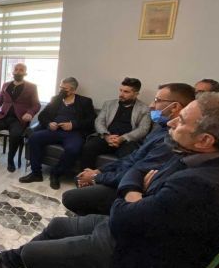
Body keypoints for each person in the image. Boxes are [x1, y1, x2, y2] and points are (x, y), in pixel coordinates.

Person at [0, 93, 219, 268]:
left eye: (182, 120)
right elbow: (138, 173)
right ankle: (9, 260)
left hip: (136, 257)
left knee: (34, 255)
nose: (173, 122)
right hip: (137, 233)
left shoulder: (202, 185)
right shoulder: (196, 156)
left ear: (205, 140)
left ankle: (16, 258)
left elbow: (123, 215)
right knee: (58, 225)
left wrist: (133, 193)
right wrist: (137, 191)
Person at [62, 83, 195, 216]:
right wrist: (99, 170)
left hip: (131, 184)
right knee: (84, 167)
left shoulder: (172, 139)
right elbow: (133, 158)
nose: (151, 105)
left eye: (157, 100)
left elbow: (138, 171)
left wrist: (96, 177)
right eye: (121, 90)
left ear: (175, 107)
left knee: (70, 197)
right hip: (112, 147)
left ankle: (98, 218)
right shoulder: (161, 127)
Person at [19, 77, 95, 188]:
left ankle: (55, 174)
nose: (61, 91)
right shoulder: (56, 99)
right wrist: (49, 123)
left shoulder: (85, 102)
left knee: (73, 149)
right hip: (54, 131)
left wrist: (73, 125)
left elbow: (91, 121)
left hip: (73, 133)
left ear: (73, 90)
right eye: (60, 88)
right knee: (34, 138)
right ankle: (36, 173)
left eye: (65, 89)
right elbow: (42, 116)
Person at [0, 63, 40, 173]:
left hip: (19, 119)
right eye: (16, 69)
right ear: (13, 72)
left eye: (21, 70)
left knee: (15, 135)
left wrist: (30, 113)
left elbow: (36, 105)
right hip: (3, 116)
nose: (18, 71)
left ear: (25, 73)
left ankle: (10, 160)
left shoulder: (32, 87)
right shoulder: (6, 85)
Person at [79, 77, 151, 169]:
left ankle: (114, 178)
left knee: (130, 157)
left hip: (127, 141)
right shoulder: (109, 104)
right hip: (106, 137)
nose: (121, 94)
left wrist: (122, 138)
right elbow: (99, 121)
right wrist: (106, 135)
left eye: (126, 92)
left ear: (136, 94)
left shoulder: (144, 109)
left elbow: (143, 129)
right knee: (89, 147)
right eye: (121, 90)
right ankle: (85, 175)